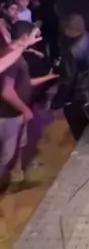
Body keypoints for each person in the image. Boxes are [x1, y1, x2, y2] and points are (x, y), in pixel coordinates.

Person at [0, 23, 57, 187]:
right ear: (25, 36)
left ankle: (17, 176)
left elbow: (24, 83)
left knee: (17, 147)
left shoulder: (16, 56)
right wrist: (25, 110)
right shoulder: (13, 59)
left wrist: (49, 77)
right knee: (7, 155)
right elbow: (7, 92)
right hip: (9, 115)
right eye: (35, 35)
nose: (37, 40)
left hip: (16, 114)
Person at [51, 15, 89, 141]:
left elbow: (67, 80)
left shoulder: (72, 52)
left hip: (78, 96)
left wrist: (57, 102)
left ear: (69, 30)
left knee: (78, 128)